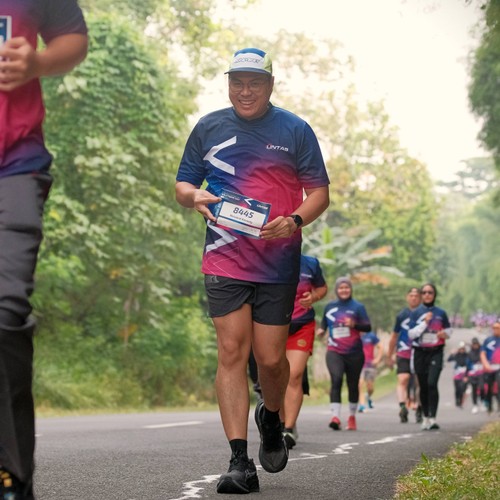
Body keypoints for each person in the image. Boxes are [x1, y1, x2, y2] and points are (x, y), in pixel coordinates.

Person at [175, 47, 330, 494]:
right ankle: (239, 461)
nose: (245, 91)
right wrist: (194, 196)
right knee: (231, 351)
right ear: (228, 84)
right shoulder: (208, 127)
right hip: (224, 256)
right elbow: (184, 184)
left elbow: (319, 193)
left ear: (270, 85)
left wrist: (294, 220)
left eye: (254, 83)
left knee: (270, 360)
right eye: (237, 82)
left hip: (278, 261)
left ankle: (272, 415)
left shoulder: (295, 130)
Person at [0, 3, 88, 499]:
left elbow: (72, 37)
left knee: (5, 311)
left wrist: (37, 63)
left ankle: (10, 477)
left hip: (13, 165)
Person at [281, 254, 328, 449]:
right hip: (273, 325)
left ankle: (288, 429)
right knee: (276, 376)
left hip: (302, 324)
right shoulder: (267, 259)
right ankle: (281, 423)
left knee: (294, 374)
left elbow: (322, 288)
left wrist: (314, 297)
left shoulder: (310, 263)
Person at [317, 277, 371, 431]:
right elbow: (324, 324)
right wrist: (321, 331)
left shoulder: (358, 307)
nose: (344, 290)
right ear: (336, 290)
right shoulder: (330, 307)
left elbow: (367, 327)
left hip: (354, 353)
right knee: (336, 379)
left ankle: (352, 417)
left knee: (353, 384)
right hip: (334, 351)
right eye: (341, 288)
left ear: (351, 289)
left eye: (347, 287)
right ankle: (335, 417)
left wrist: (355, 324)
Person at [408, 283, 451, 430]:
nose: (427, 295)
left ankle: (433, 418)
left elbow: (449, 331)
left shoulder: (441, 313)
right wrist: (425, 322)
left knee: (432, 383)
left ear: (434, 295)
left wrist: (444, 334)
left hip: (436, 351)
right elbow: (411, 334)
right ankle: (425, 417)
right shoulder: (415, 313)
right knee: (424, 385)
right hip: (420, 352)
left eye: (430, 292)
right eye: (424, 292)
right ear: (421, 295)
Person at [387, 287, 422, 423]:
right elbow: (394, 336)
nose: (413, 298)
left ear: (420, 298)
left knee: (419, 381)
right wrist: (389, 355)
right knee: (403, 379)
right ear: (407, 297)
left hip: (419, 352)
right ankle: (403, 407)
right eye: (411, 295)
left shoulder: (424, 314)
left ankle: (419, 407)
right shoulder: (401, 315)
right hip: (403, 351)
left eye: (416, 295)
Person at [357, 330, 382, 413]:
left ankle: (368, 396)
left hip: (370, 365)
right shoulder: (355, 335)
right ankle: (362, 405)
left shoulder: (371, 336)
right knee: (360, 384)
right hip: (359, 364)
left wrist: (378, 359)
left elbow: (380, 347)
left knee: (370, 387)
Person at [480, 322, 500, 413]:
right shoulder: (488, 340)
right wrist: (485, 364)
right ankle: (489, 405)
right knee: (488, 387)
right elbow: (482, 353)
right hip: (489, 367)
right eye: (494, 327)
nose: (496, 329)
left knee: (499, 384)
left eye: (498, 328)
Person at [447, 341, 471, 408]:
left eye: (463, 349)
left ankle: (460, 401)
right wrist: (451, 353)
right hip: (457, 374)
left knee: (462, 388)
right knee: (457, 389)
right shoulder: (456, 355)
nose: (462, 350)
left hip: (464, 374)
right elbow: (449, 360)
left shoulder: (467, 355)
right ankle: (457, 400)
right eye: (461, 349)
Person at [467, 337, 485, 414]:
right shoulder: (470, 353)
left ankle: (482, 401)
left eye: (476, 344)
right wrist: (471, 368)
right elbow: (468, 363)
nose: (475, 345)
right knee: (474, 389)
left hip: (481, 372)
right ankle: (475, 405)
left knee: (482, 387)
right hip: (473, 373)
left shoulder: (482, 351)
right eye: (474, 344)